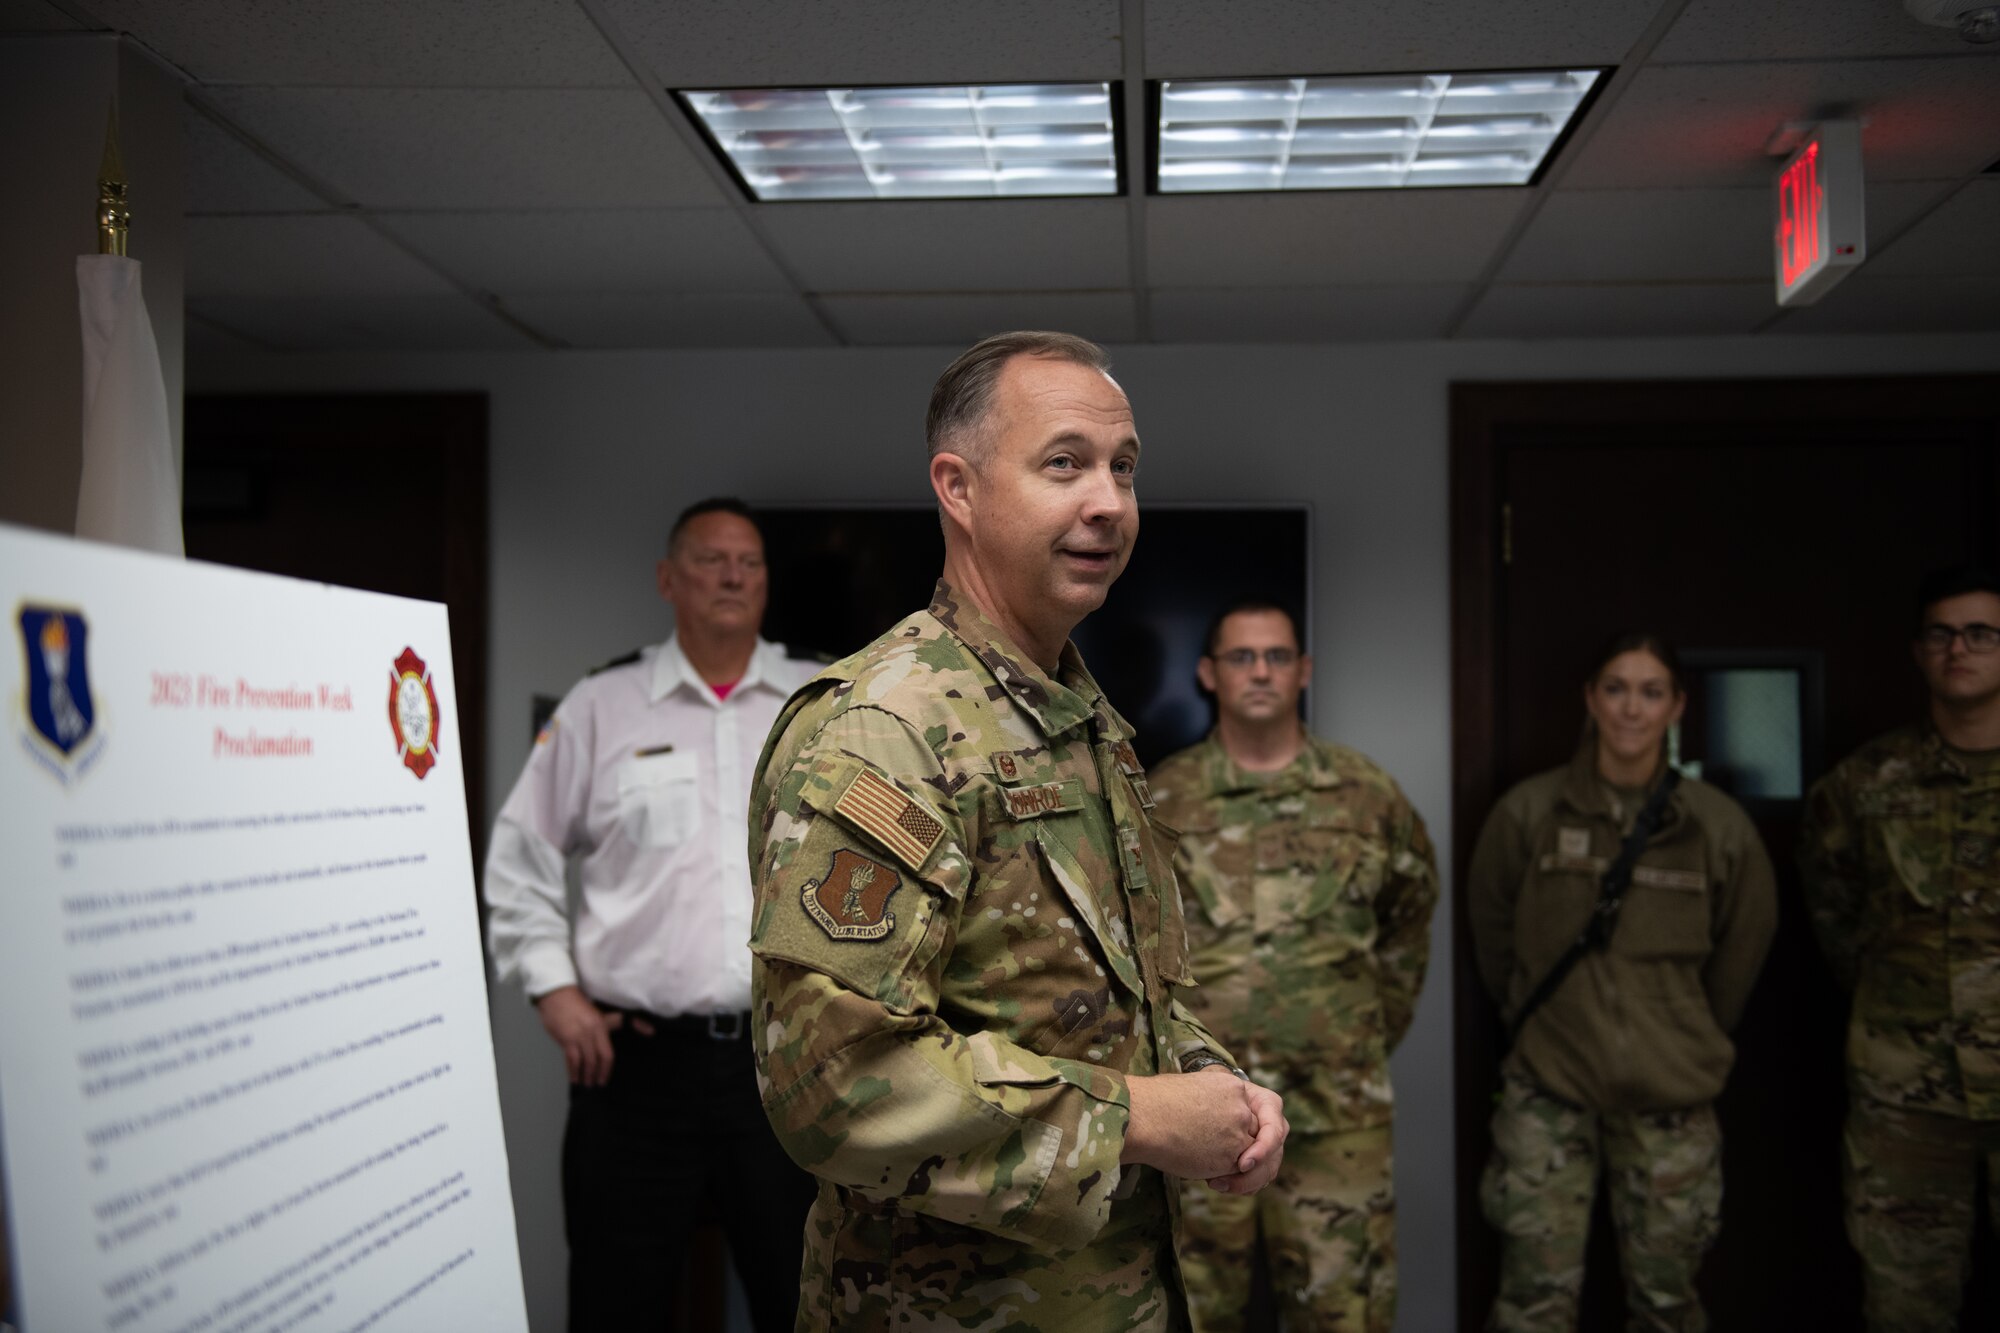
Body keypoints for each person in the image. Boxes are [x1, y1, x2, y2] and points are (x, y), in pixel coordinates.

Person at [747, 331, 1290, 1332]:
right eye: (1064, 462)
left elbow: (1105, 997)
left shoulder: (1079, 720)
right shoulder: (884, 729)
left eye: (1123, 468)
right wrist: (1136, 1116)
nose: (1108, 502)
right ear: (957, 487)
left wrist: (1216, 1084)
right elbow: (830, 1085)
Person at [483, 497, 818, 1333]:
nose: (734, 574)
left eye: (750, 561)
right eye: (711, 558)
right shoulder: (602, 705)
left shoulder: (821, 700)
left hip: (783, 1068)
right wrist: (553, 989)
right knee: (615, 1301)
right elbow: (518, 858)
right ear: (668, 579)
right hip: (634, 1076)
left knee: (806, 1299)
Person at [1467, 631, 1777, 1333]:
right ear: (1590, 699)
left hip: (1673, 1097)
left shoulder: (1716, 827)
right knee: (1531, 1303)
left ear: (1676, 707)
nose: (1631, 708)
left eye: (1650, 691)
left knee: (1668, 1304)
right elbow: (1492, 935)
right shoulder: (1530, 813)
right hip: (1548, 1089)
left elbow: (1741, 951)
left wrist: (1683, 1030)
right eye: (1615, 688)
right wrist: (1537, 1019)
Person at [1150, 600, 1438, 1332]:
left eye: (1277, 656)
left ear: (1304, 671)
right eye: (1242, 657)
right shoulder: (1163, 799)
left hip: (1336, 1116)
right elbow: (1133, 942)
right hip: (1200, 1114)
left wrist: (1359, 1035)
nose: (1261, 672)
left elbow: (1408, 923)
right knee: (1188, 1310)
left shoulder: (1366, 794)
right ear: (1209, 673)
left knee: (1347, 1314)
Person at [1798, 564, 2000, 1330]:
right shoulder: (1863, 785)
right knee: (1906, 1311)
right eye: (1943, 633)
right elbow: (1835, 911)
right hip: (1907, 1100)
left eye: (1982, 632)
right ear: (1918, 652)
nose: (1961, 648)